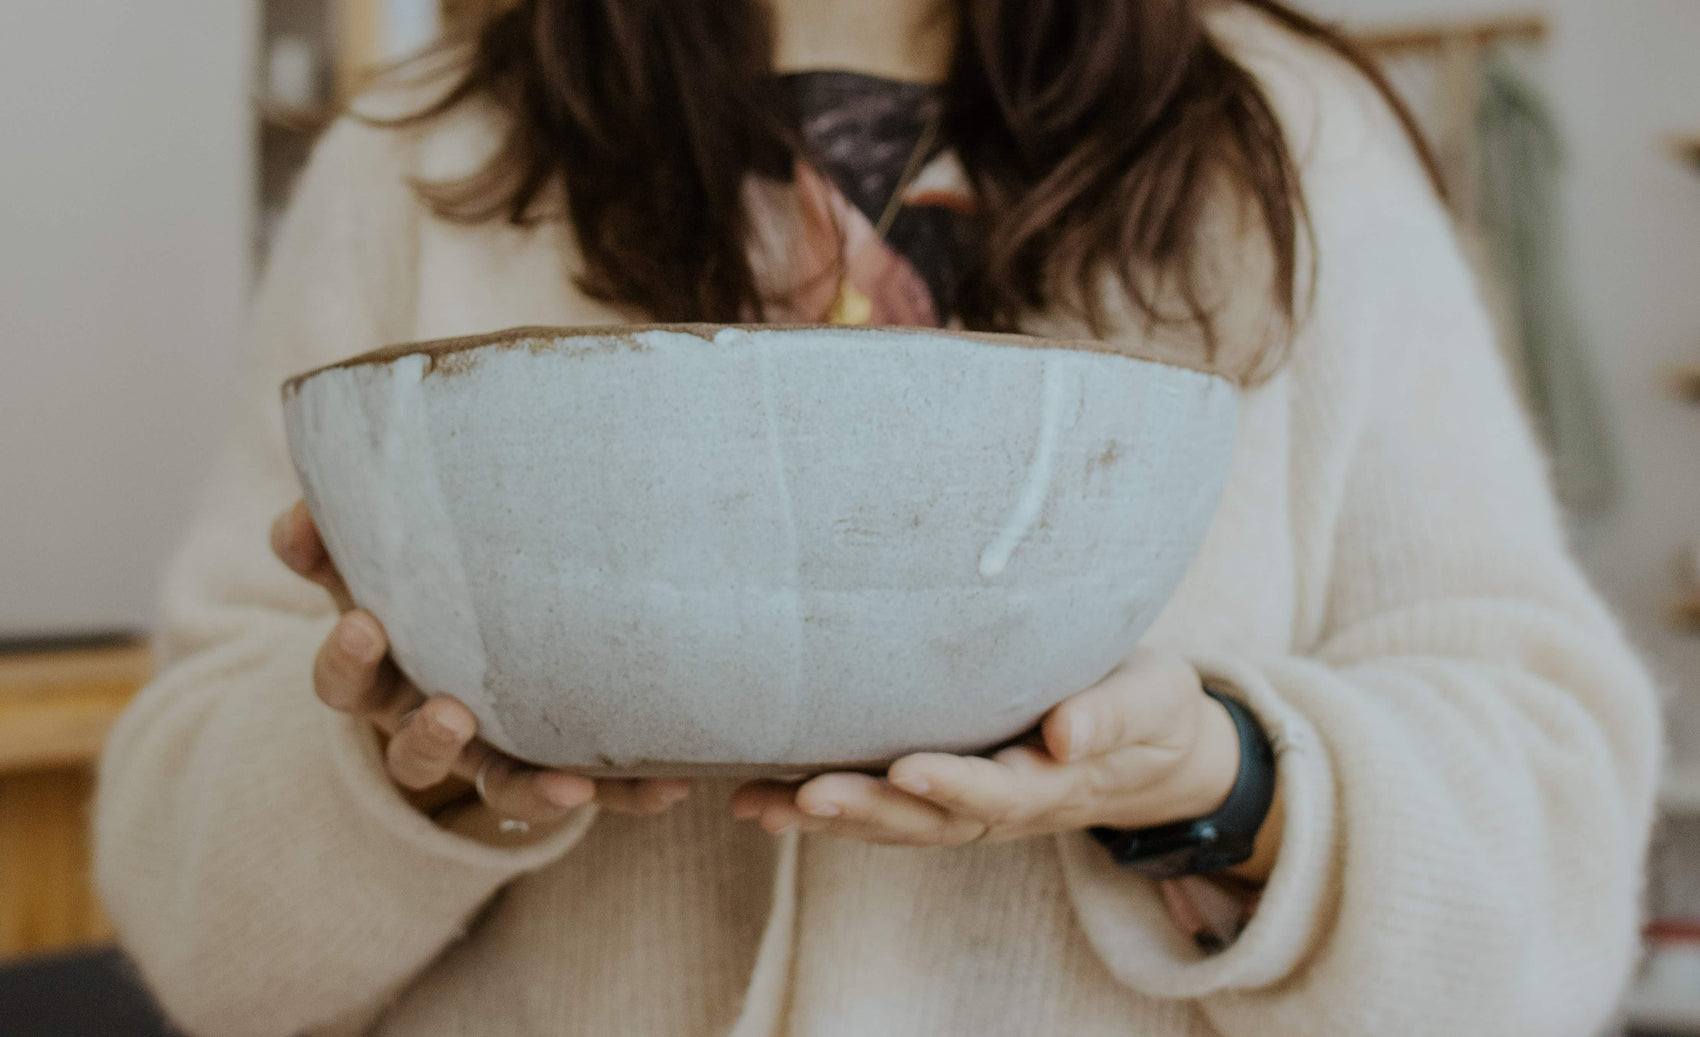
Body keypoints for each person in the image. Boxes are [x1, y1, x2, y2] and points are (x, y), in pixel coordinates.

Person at [94, 0, 1662, 1034]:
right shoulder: (428, 154)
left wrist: (1222, 779)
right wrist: (407, 781)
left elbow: (1554, 845)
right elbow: (207, 934)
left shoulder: (1291, 148)